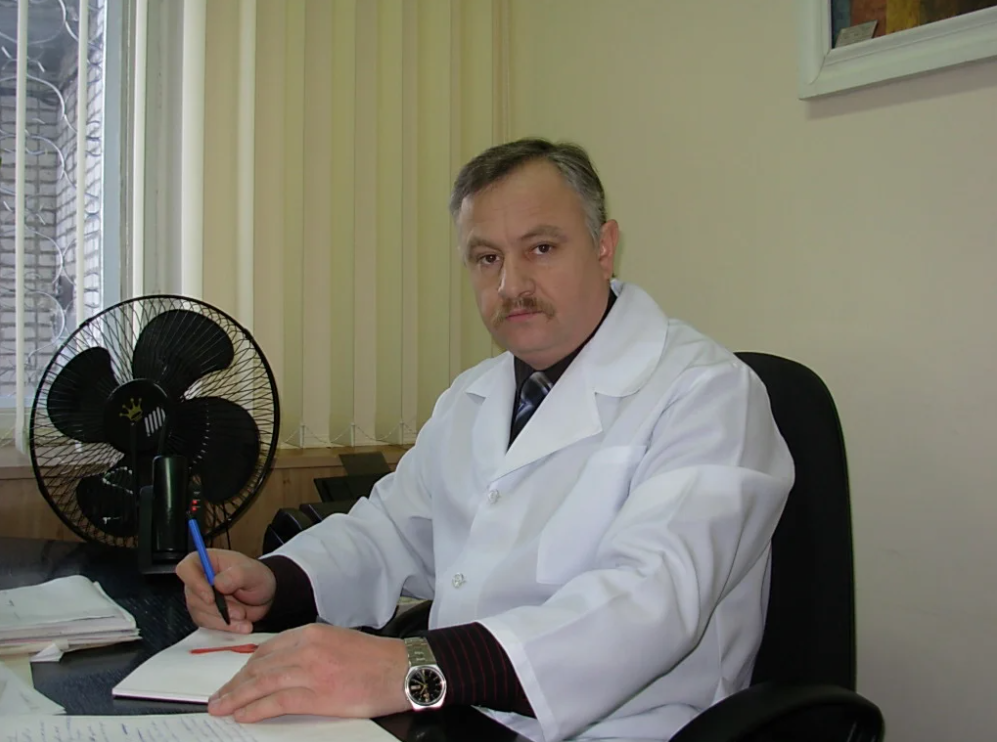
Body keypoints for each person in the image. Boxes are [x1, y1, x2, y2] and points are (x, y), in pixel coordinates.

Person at [177, 138, 794, 742]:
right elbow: (394, 531)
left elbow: (648, 605)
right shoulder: (474, 396)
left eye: (541, 248)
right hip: (459, 713)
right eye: (487, 258)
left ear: (604, 247)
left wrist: (411, 668)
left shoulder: (708, 395)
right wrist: (276, 582)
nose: (510, 285)